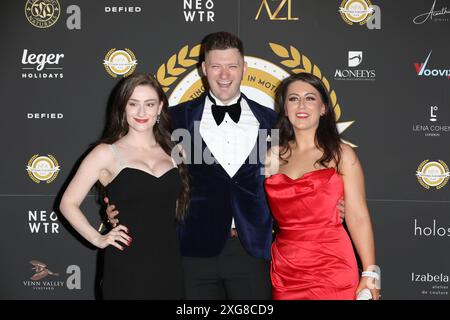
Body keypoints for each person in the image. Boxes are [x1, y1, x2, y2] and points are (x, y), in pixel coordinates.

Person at [106, 32, 345, 299]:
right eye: (216, 66)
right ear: (203, 69)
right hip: (193, 250)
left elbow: (300, 168)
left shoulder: (273, 122)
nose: (224, 74)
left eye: (232, 65)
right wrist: (117, 204)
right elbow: (130, 158)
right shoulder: (174, 119)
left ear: (244, 68)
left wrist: (327, 204)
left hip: (252, 249)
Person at [59, 73, 190, 299]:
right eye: (133, 104)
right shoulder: (105, 153)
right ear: (123, 107)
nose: (141, 112)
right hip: (126, 262)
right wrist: (98, 238)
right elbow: (67, 203)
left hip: (169, 262)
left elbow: (169, 204)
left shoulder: (176, 152)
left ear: (160, 108)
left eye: (149, 104)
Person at [264, 72, 380, 300]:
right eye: (293, 98)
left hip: (332, 264)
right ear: (284, 108)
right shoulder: (271, 156)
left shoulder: (341, 154)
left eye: (310, 98)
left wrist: (370, 272)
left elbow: (358, 216)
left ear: (324, 108)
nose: (301, 105)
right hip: (286, 268)